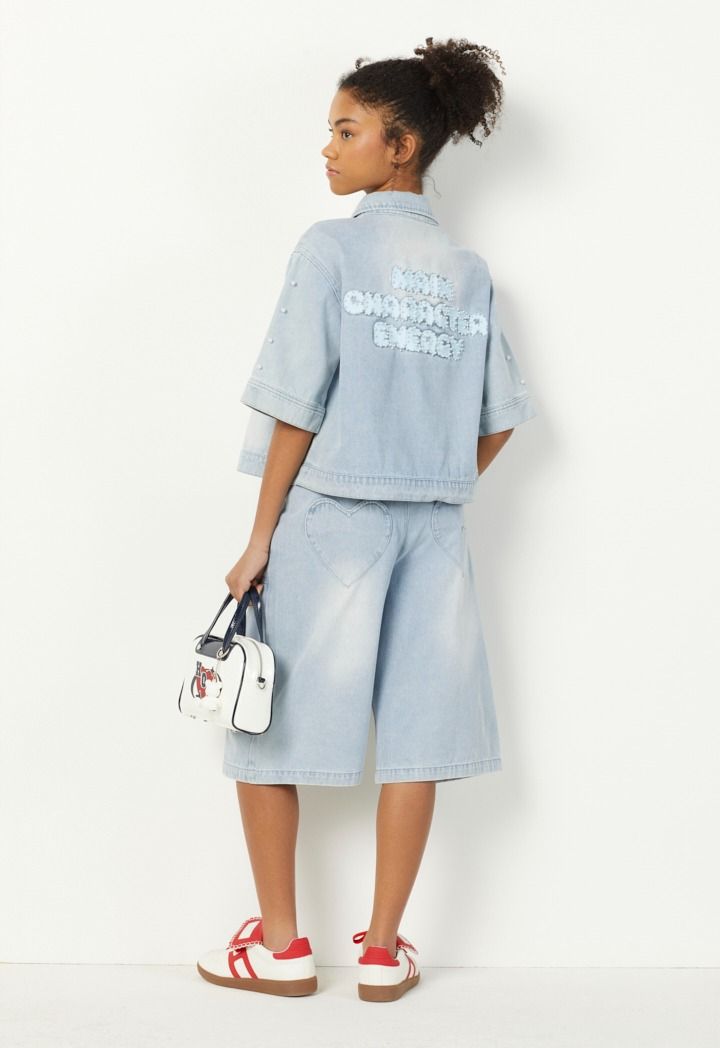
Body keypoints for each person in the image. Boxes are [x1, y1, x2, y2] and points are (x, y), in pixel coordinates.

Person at [196, 36, 538, 1003]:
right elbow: (502, 419)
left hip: (331, 520)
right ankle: (383, 952)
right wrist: (437, 479)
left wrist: (259, 537)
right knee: (417, 738)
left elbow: (295, 405)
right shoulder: (465, 270)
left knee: (264, 721)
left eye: (346, 131)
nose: (328, 148)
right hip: (434, 532)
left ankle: (282, 947)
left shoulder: (332, 249)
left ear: (401, 145)